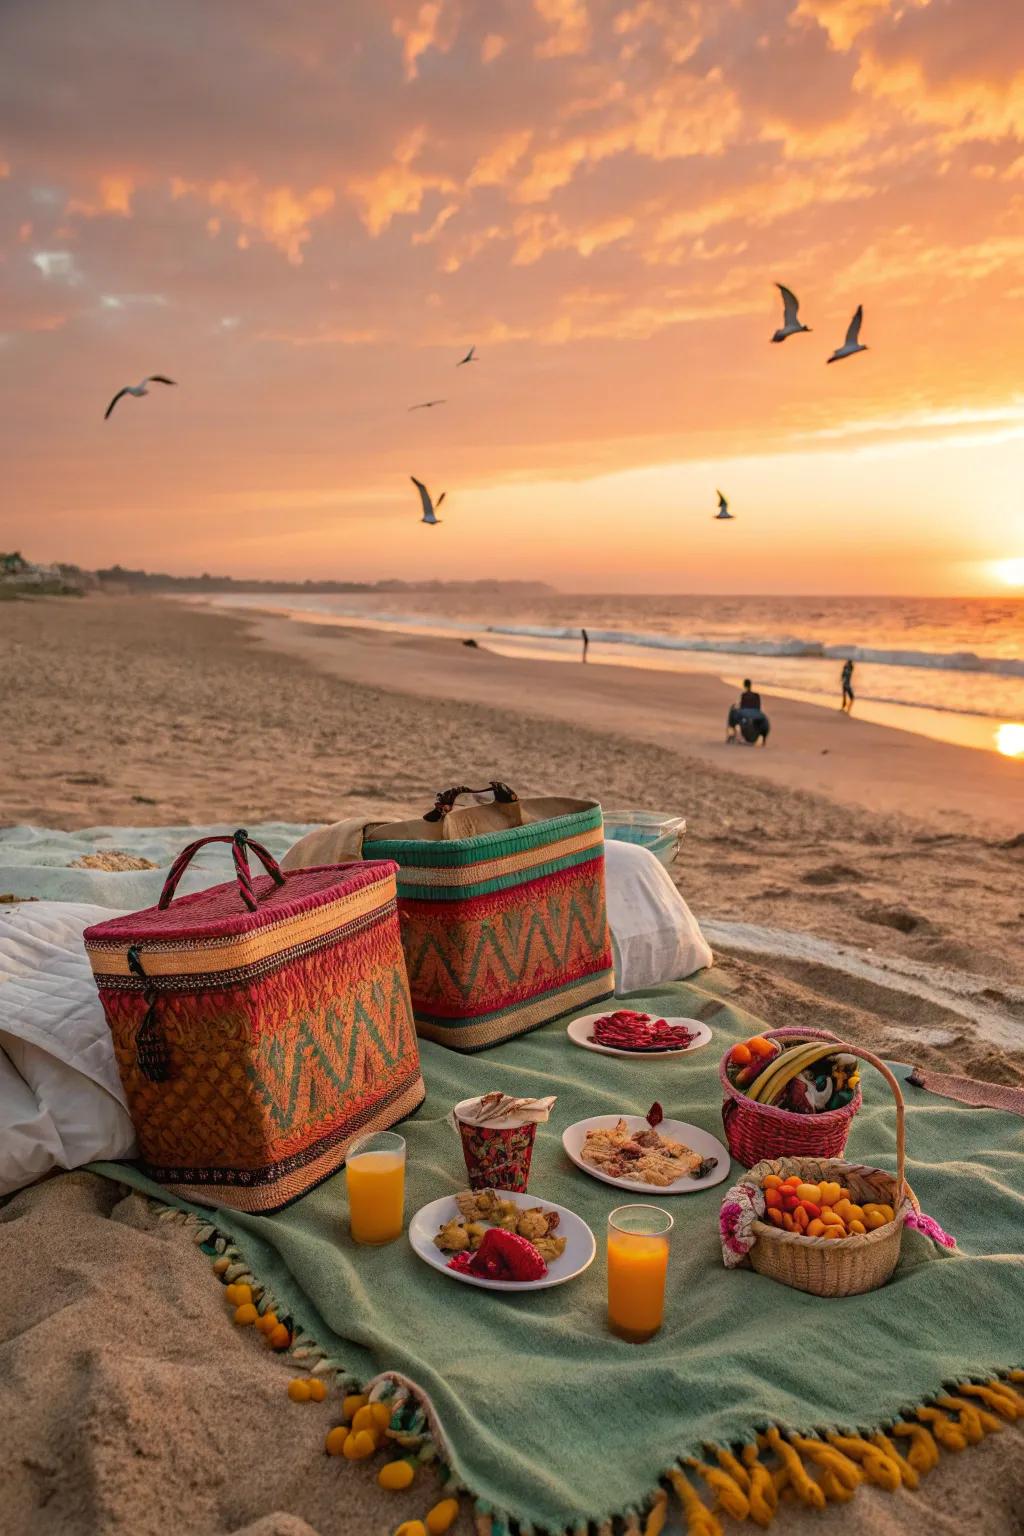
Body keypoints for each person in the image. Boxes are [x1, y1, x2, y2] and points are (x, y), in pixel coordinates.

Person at [727, 679, 770, 745]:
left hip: (747, 713)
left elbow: (742, 707)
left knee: (734, 713)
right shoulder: (756, 695)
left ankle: (734, 733)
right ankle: (763, 740)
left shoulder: (744, 695)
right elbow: (758, 707)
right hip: (755, 713)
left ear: (744, 686)